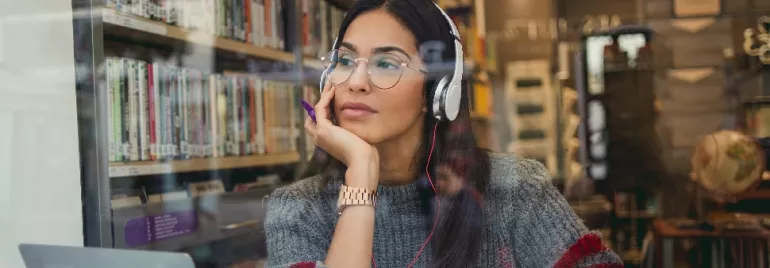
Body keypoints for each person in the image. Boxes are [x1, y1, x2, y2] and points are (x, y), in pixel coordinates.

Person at [264, 0, 623, 267]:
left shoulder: (516, 190)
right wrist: (361, 170)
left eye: (386, 64)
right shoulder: (296, 210)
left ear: (438, 91)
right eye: (344, 61)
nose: (356, 82)